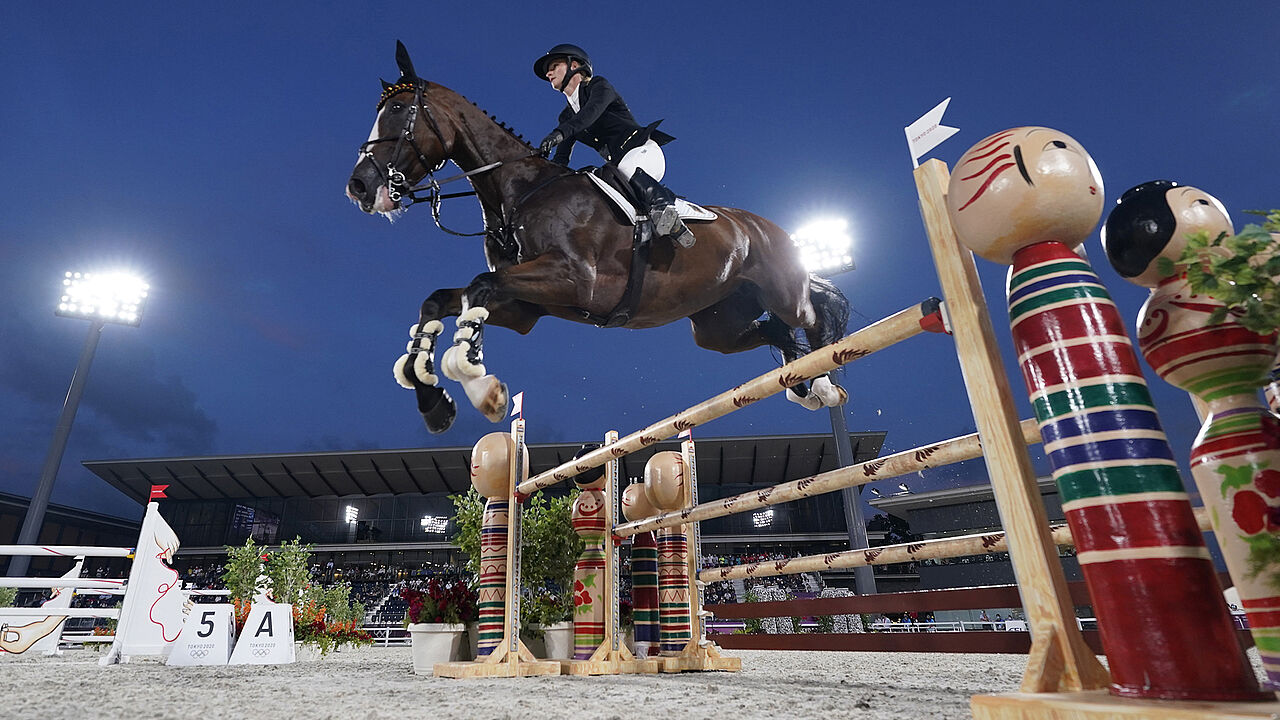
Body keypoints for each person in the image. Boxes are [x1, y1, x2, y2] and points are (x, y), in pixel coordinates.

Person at [533, 43, 695, 248]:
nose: (548, 73)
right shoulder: (565, 117)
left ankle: (666, 208)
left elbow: (588, 115)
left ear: (574, 65)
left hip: (643, 152)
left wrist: (558, 133)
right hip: (618, 169)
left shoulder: (599, 86)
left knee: (626, 170)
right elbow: (561, 159)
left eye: (554, 66)